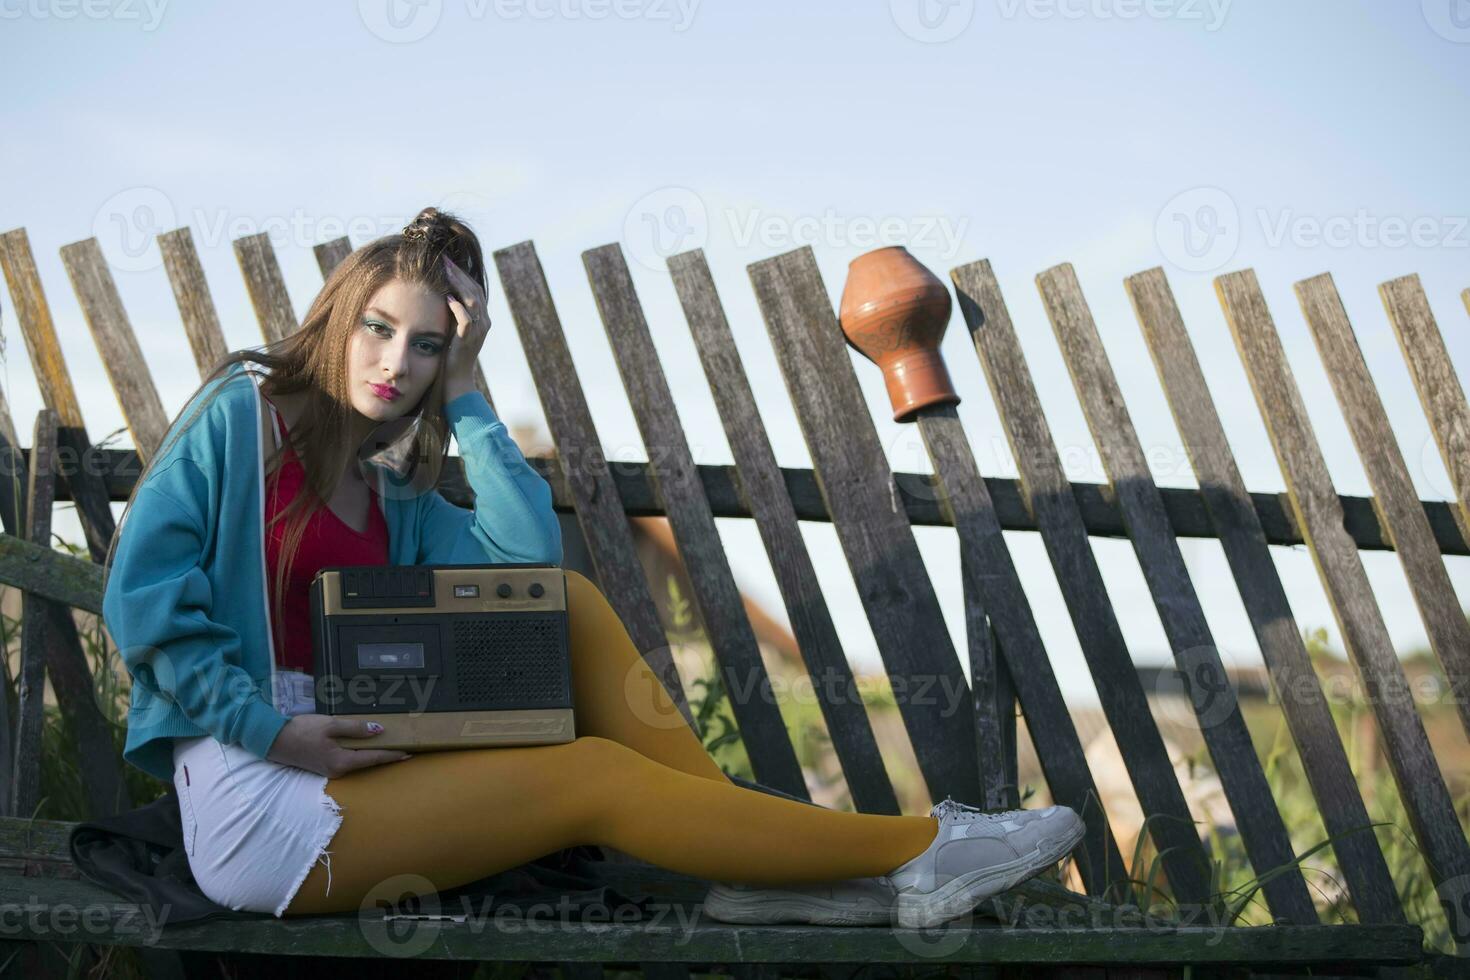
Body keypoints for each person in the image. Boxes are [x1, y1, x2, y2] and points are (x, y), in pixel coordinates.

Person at [100, 206, 1084, 928]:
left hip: (354, 769)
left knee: (563, 598)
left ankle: (746, 861)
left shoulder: (390, 494)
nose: (397, 359)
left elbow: (522, 577)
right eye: (381, 327)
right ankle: (927, 846)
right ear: (340, 312)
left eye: (430, 345)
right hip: (258, 795)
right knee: (596, 775)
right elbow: (139, 601)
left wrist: (473, 388)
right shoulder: (242, 419)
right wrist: (273, 729)